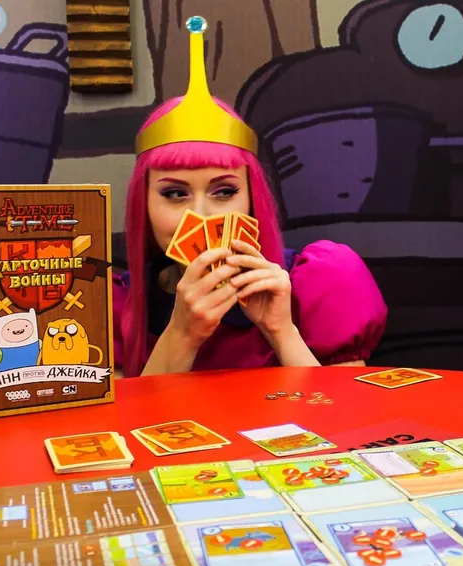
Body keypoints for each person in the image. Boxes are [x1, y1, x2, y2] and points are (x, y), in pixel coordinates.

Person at [113, 16, 387, 377]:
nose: (201, 215)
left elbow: (344, 410)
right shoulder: (115, 306)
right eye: (175, 193)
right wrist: (181, 335)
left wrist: (281, 331)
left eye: (224, 191)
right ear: (144, 204)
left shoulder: (323, 281)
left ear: (251, 198)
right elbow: (127, 417)